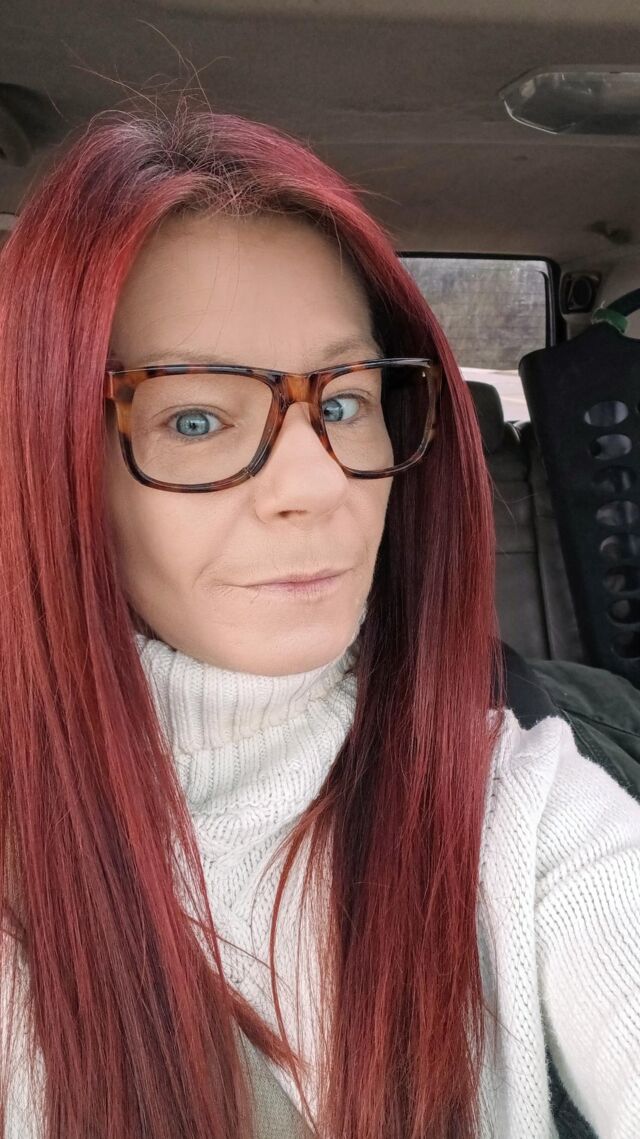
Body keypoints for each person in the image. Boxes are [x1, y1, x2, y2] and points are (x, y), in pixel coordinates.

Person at [0, 97, 638, 1139]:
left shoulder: (517, 799)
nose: (318, 482)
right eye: (195, 417)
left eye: (343, 403)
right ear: (56, 466)